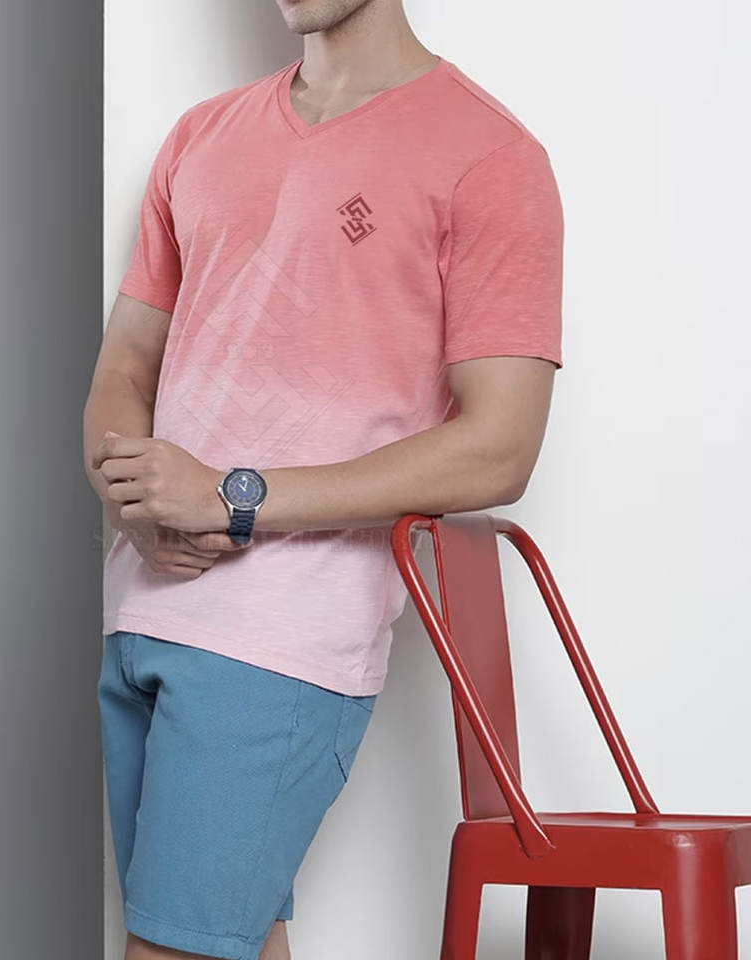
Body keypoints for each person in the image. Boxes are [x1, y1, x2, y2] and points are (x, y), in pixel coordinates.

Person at [83, 0, 564, 957]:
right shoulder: (201, 135)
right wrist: (132, 500)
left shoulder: (490, 156)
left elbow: (500, 446)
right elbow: (125, 365)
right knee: (234, 937)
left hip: (284, 635)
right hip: (140, 611)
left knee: (170, 950)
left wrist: (234, 497)